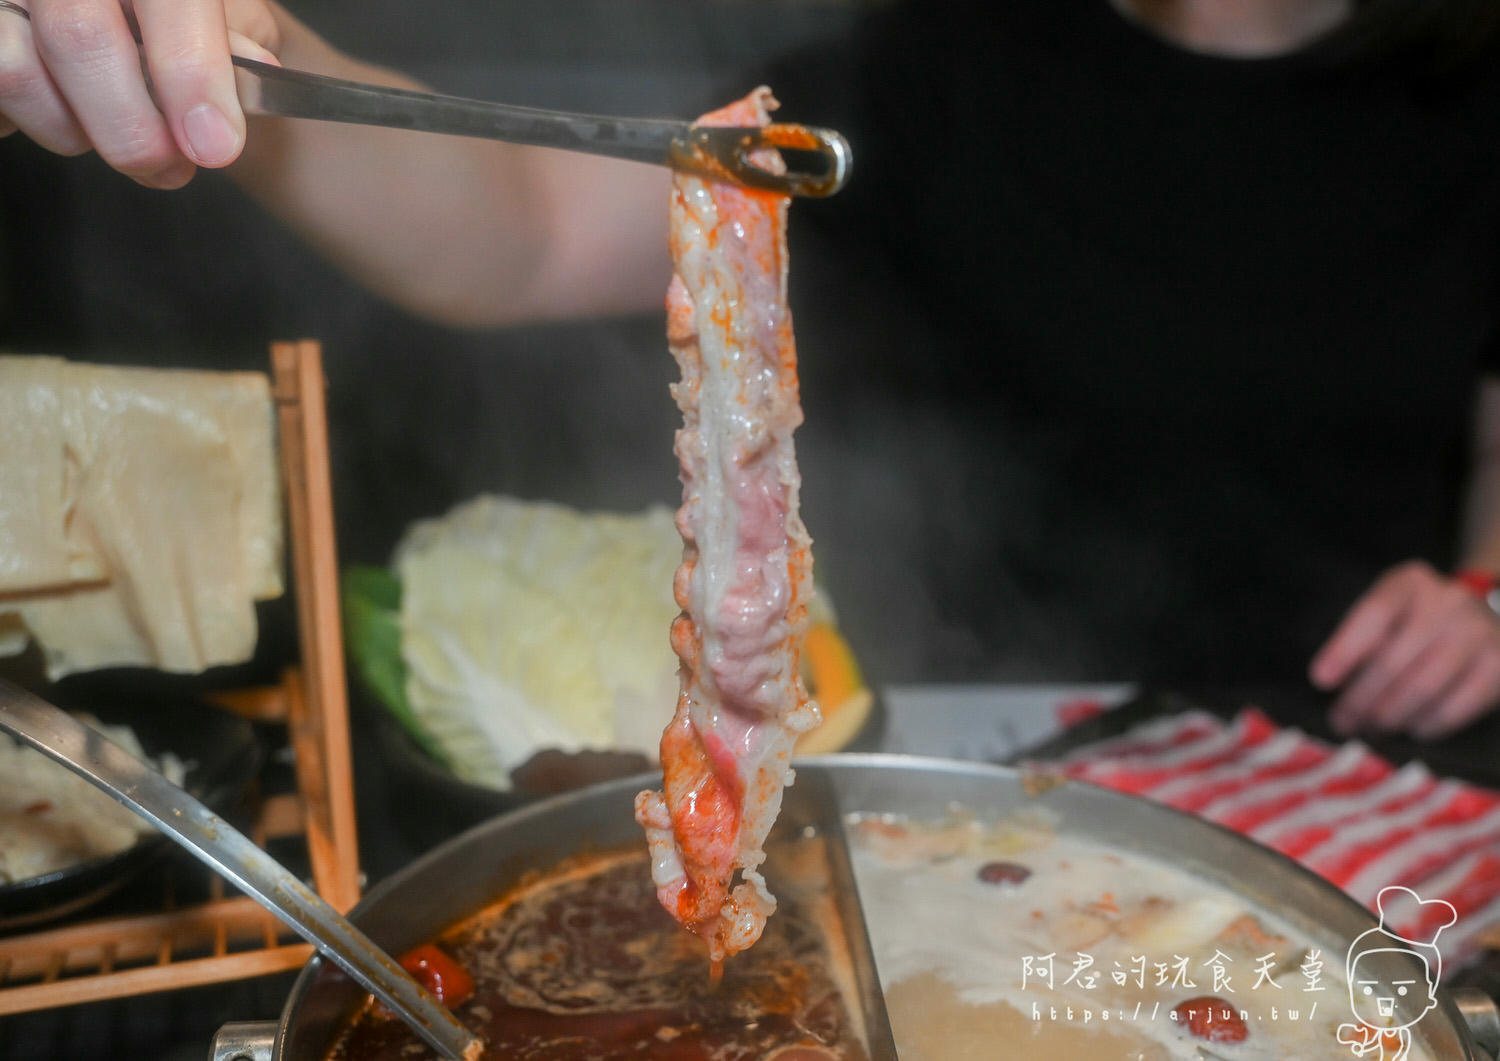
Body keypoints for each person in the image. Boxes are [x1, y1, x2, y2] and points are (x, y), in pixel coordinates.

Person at [3, 0, 1500, 740]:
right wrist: (244, 66)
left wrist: (1489, 592)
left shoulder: (1468, 93)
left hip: (1371, 751)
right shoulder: (946, 63)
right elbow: (521, 236)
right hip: (965, 740)